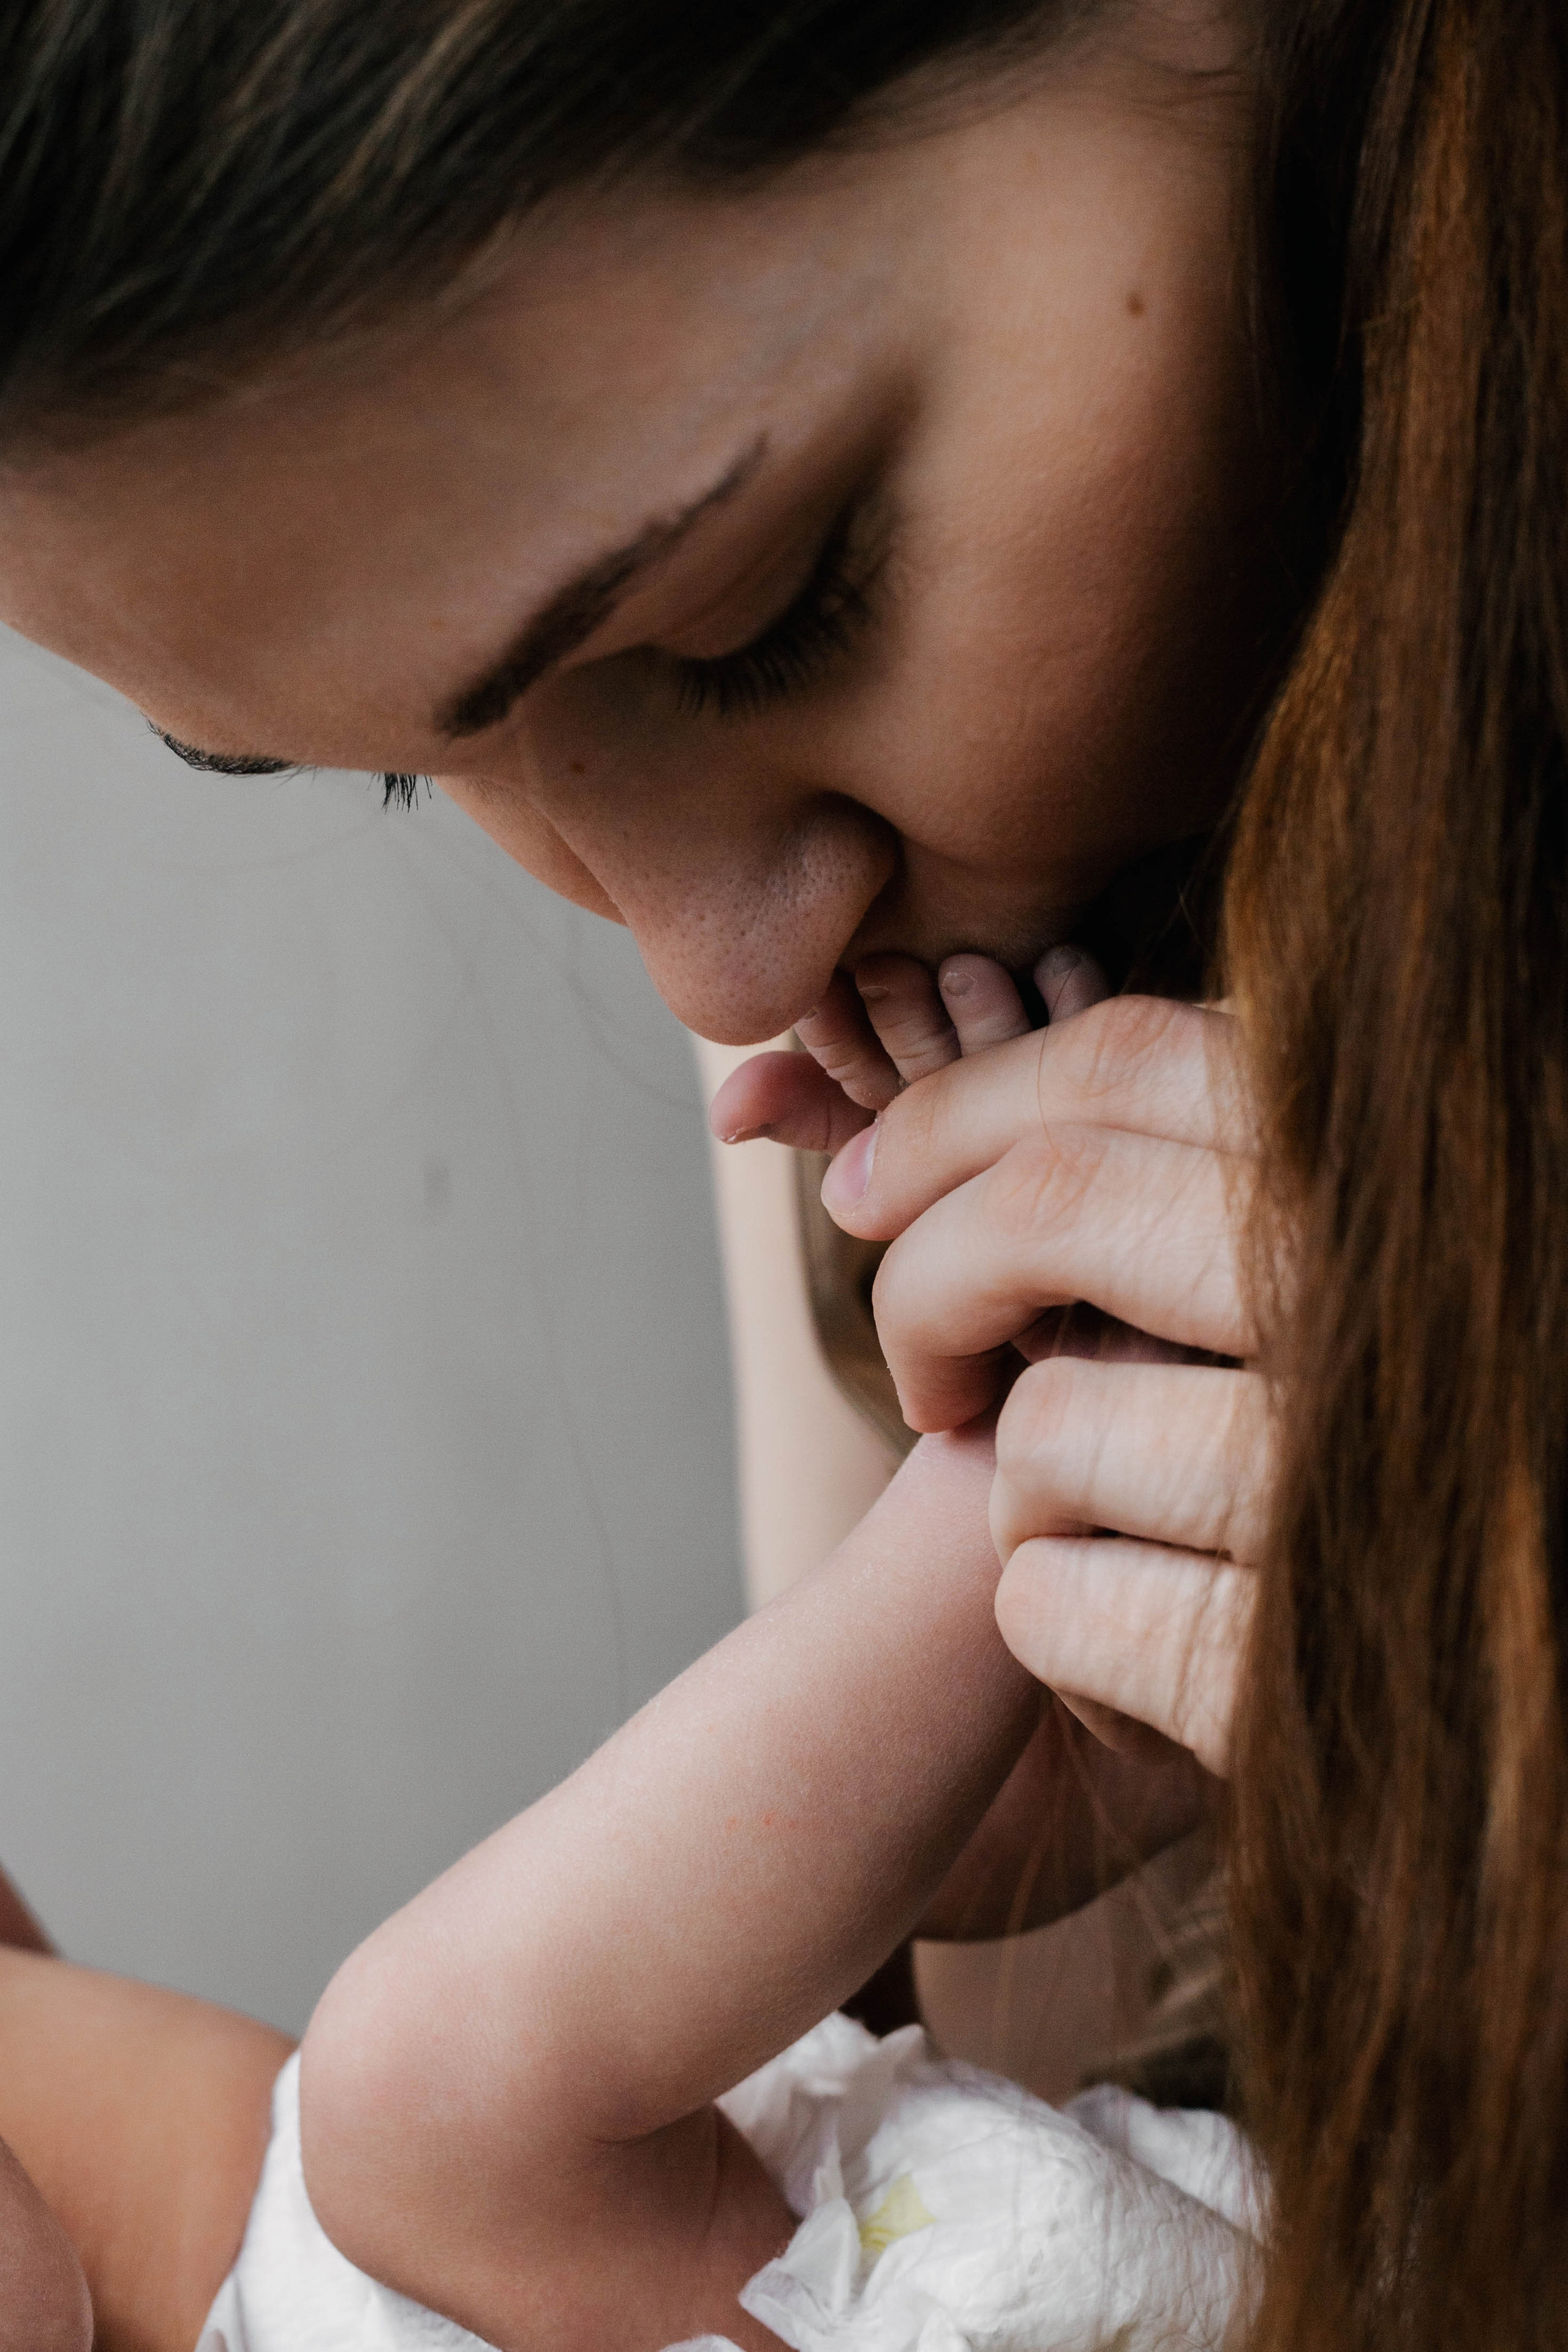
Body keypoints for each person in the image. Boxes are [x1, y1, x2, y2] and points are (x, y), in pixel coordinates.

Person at [0, 0, 1560, 2347]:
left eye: (759, 611)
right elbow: (1057, 2212)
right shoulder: (939, 1133)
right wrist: (1096, 1789)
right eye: (422, 775)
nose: (710, 973)